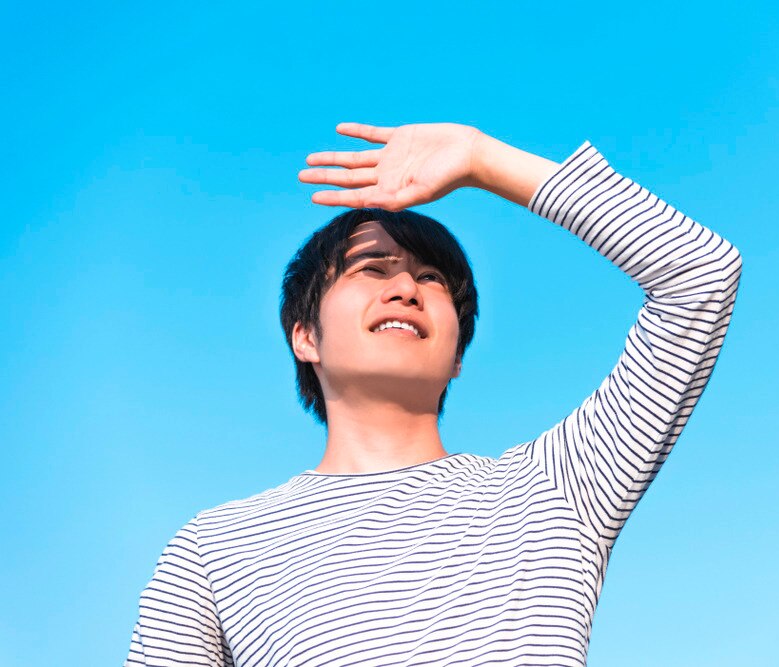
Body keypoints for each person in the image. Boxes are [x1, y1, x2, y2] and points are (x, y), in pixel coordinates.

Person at [124, 122, 743, 666]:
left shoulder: (556, 489)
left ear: (457, 358)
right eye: (371, 270)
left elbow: (701, 276)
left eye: (430, 279)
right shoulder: (216, 549)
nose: (406, 290)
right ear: (305, 336)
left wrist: (482, 159)